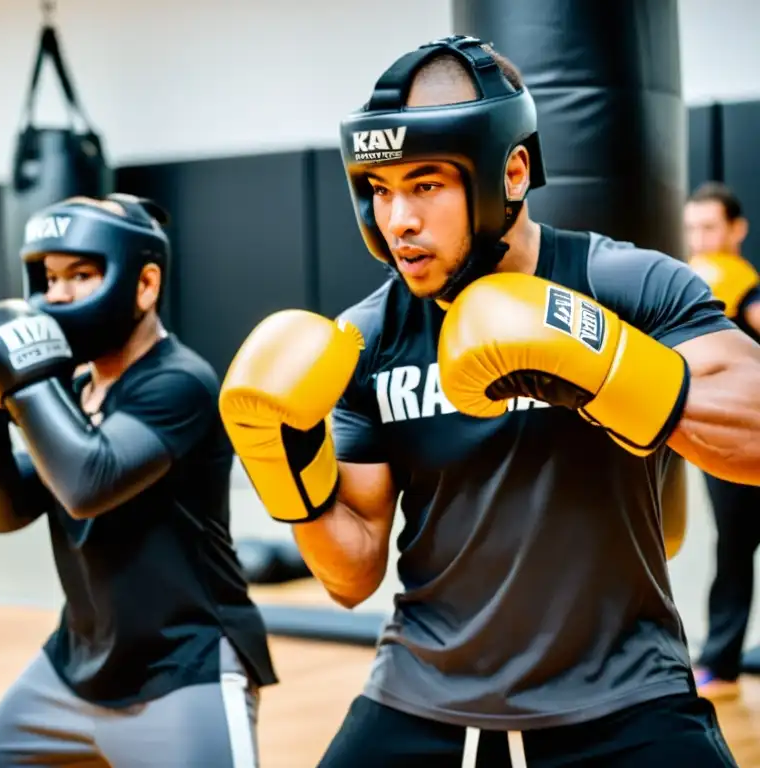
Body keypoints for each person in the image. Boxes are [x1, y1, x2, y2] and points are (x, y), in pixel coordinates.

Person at [219, 35, 760, 767]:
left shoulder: (622, 285)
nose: (398, 220)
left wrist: (607, 366)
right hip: (422, 694)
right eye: (380, 189)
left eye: (426, 184)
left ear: (510, 171)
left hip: (625, 697)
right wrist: (286, 466)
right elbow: (351, 575)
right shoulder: (366, 337)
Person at [0, 193, 278, 767]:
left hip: (180, 671)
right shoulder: (70, 388)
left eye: (81, 275)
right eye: (49, 277)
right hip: (74, 669)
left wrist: (24, 382)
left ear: (144, 285)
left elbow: (88, 483)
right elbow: (8, 510)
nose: (57, 294)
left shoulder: (179, 383)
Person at [684, 180, 760, 700]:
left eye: (710, 227)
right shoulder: (687, 286)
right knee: (732, 551)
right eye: (692, 228)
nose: (701, 239)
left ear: (737, 230)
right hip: (723, 441)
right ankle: (722, 662)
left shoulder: (747, 290)